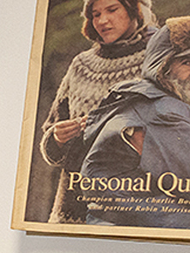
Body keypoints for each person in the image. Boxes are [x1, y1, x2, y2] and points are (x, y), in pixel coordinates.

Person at [39, 0, 157, 222]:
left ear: (136, 9)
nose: (102, 20)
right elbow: (51, 133)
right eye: (95, 14)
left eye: (112, 10)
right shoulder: (81, 65)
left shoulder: (159, 59)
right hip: (74, 210)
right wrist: (58, 137)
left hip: (136, 208)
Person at [80, 16, 190, 227]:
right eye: (187, 62)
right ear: (163, 65)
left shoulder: (137, 96)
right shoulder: (162, 110)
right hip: (135, 234)